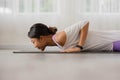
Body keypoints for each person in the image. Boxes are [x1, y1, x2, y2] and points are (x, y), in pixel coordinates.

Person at [28, 20, 120, 52]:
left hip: (114, 39)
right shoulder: (58, 42)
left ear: (41, 38)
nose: (35, 46)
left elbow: (84, 23)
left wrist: (79, 47)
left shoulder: (60, 37)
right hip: (111, 45)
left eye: (33, 42)